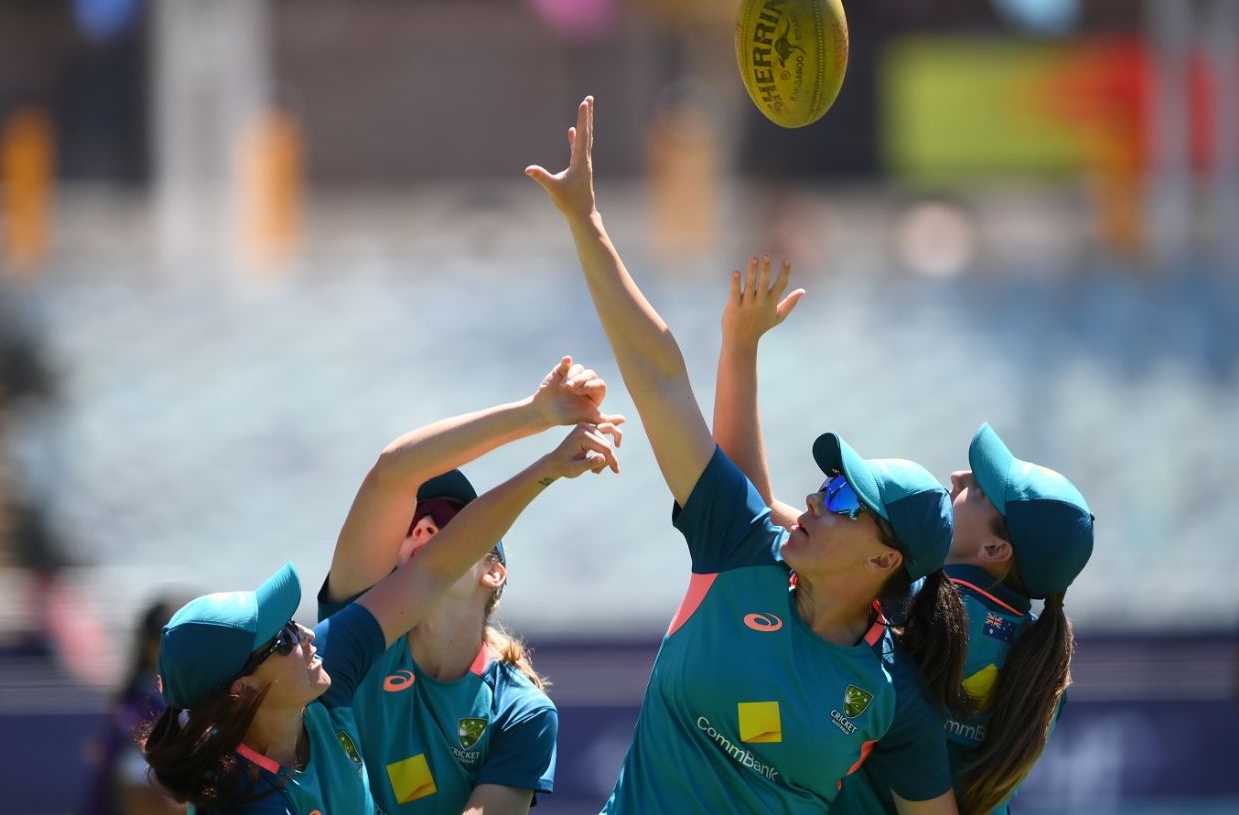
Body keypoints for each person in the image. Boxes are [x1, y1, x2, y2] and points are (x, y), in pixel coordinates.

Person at [525, 96, 965, 814]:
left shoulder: (892, 696)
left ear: (885, 560)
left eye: (845, 498)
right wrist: (587, 220)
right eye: (827, 482)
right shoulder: (740, 545)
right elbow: (660, 377)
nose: (818, 496)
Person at [712, 257, 1095, 815]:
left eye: (979, 489)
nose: (959, 477)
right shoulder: (1043, 665)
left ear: (995, 550)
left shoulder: (916, 604)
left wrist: (740, 347)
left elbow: (749, 502)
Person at [136, 389, 620, 814]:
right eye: (281, 639)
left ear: (494, 572)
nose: (304, 633)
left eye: (452, 522)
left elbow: (423, 548)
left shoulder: (328, 673)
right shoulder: (247, 797)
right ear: (242, 691)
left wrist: (543, 435)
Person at [317, 356, 624, 814]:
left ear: (493, 572)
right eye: (411, 524)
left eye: (450, 524)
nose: (423, 527)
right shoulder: (360, 639)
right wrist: (536, 414)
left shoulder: (521, 710)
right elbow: (393, 471)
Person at [78, 597, 185, 815]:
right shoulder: (135, 714)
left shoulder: (192, 703)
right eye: (176, 644)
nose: (187, 655)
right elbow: (143, 802)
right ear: (150, 646)